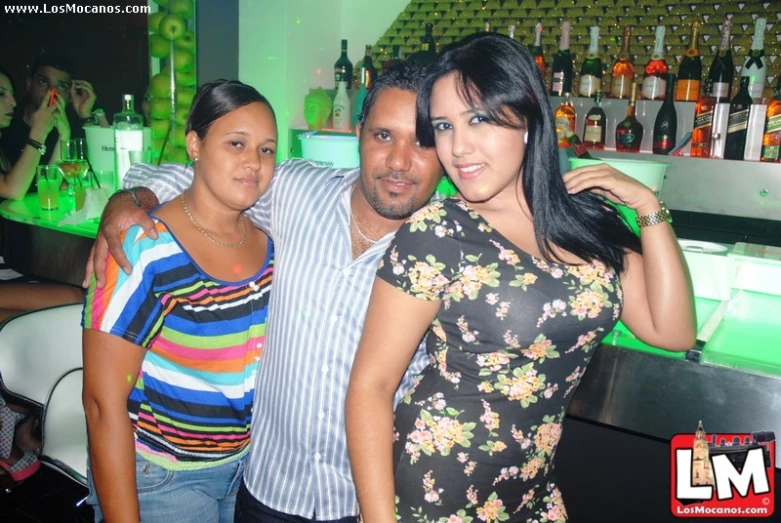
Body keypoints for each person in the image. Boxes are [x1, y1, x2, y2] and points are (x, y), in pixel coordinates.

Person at [345, 33, 696, 523]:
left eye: (479, 120)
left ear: (528, 118)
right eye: (444, 126)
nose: (457, 147)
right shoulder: (440, 230)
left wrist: (648, 207)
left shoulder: (585, 221)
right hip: (435, 491)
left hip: (531, 492)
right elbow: (371, 386)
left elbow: (672, 331)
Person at [85, 63, 444, 522]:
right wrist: (129, 201)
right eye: (383, 136)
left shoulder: (455, 247)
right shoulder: (298, 192)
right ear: (358, 134)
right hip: (265, 487)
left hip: (360, 499)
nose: (398, 160)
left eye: (422, 140)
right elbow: (208, 184)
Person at [81, 79, 276, 523]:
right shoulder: (143, 247)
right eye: (236, 143)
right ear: (195, 144)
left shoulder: (268, 239)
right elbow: (101, 403)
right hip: (162, 477)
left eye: (266, 149)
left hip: (245, 470)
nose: (254, 162)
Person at [0, 65, 87, 317]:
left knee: (74, 297)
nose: (13, 101)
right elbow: (13, 189)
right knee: (70, 303)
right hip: (7, 272)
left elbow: (44, 185)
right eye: (1, 94)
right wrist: (37, 133)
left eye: (11, 93)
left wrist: (64, 133)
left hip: (13, 267)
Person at [0, 54, 95, 166]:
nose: (51, 92)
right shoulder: (7, 120)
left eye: (62, 86)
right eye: (43, 82)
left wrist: (85, 115)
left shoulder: (71, 126)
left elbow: (97, 167)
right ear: (29, 84)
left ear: (70, 95)